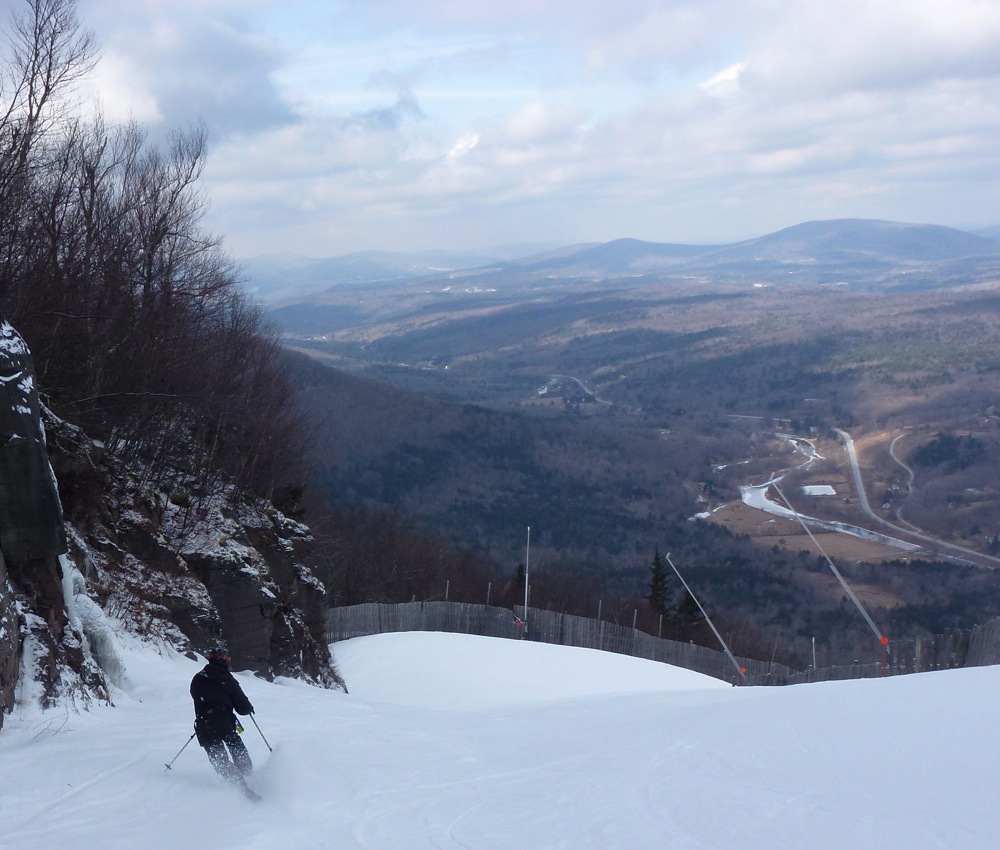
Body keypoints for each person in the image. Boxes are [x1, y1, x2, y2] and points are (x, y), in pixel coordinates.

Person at [190, 648, 256, 791]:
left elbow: (195, 696)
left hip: (204, 723)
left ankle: (231, 779)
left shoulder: (198, 678)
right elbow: (243, 708)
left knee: (215, 751)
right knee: (235, 745)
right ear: (225, 661)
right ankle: (249, 776)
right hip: (225, 722)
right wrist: (248, 708)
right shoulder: (227, 679)